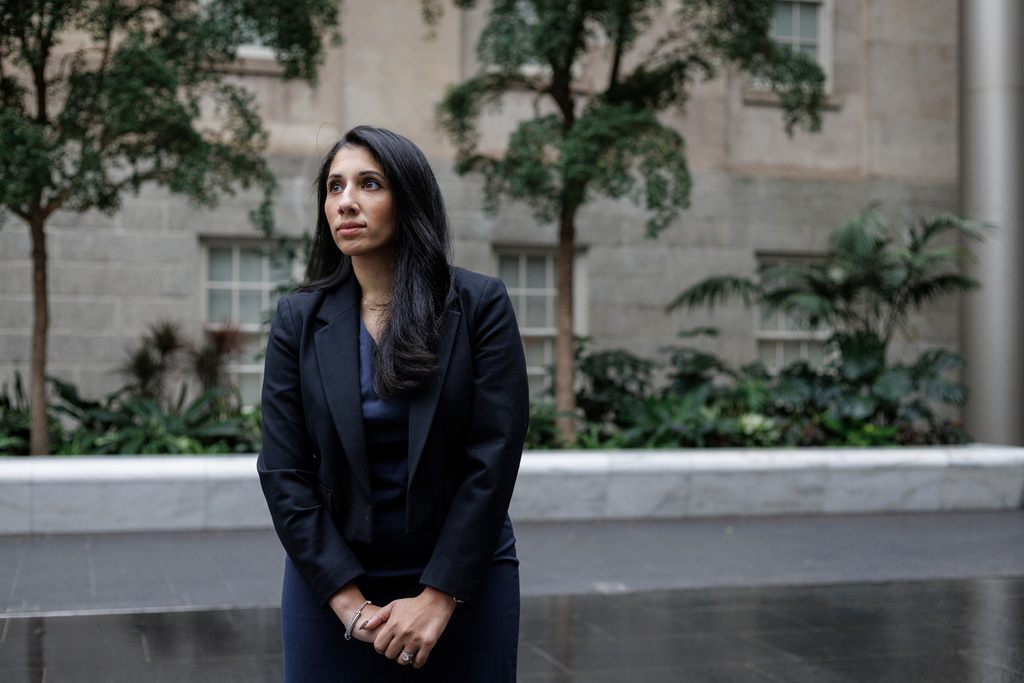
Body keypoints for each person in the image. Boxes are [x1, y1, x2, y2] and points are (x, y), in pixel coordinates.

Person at [257, 125, 529, 682]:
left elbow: (493, 460)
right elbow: (284, 471)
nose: (346, 201)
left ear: (408, 200)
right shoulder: (298, 320)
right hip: (332, 574)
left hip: (461, 570)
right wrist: (348, 604)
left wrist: (439, 596)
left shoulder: (480, 306)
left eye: (369, 183)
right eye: (334, 187)